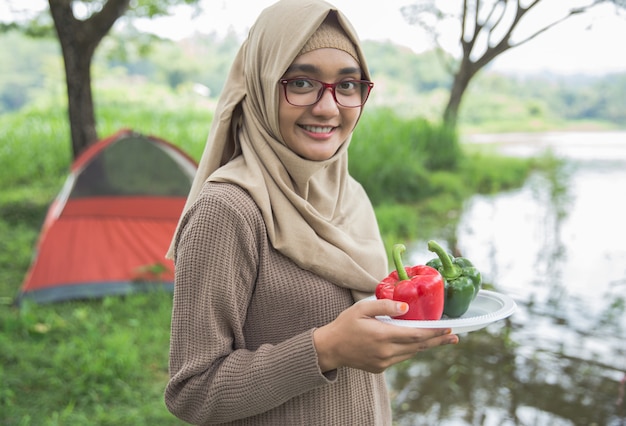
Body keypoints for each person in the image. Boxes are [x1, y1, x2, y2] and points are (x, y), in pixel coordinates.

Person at [164, 0, 459, 424]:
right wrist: (325, 350)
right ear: (264, 85)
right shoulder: (227, 211)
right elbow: (192, 391)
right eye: (301, 82)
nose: (328, 107)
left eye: (348, 85)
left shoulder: (347, 193)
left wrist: (398, 333)